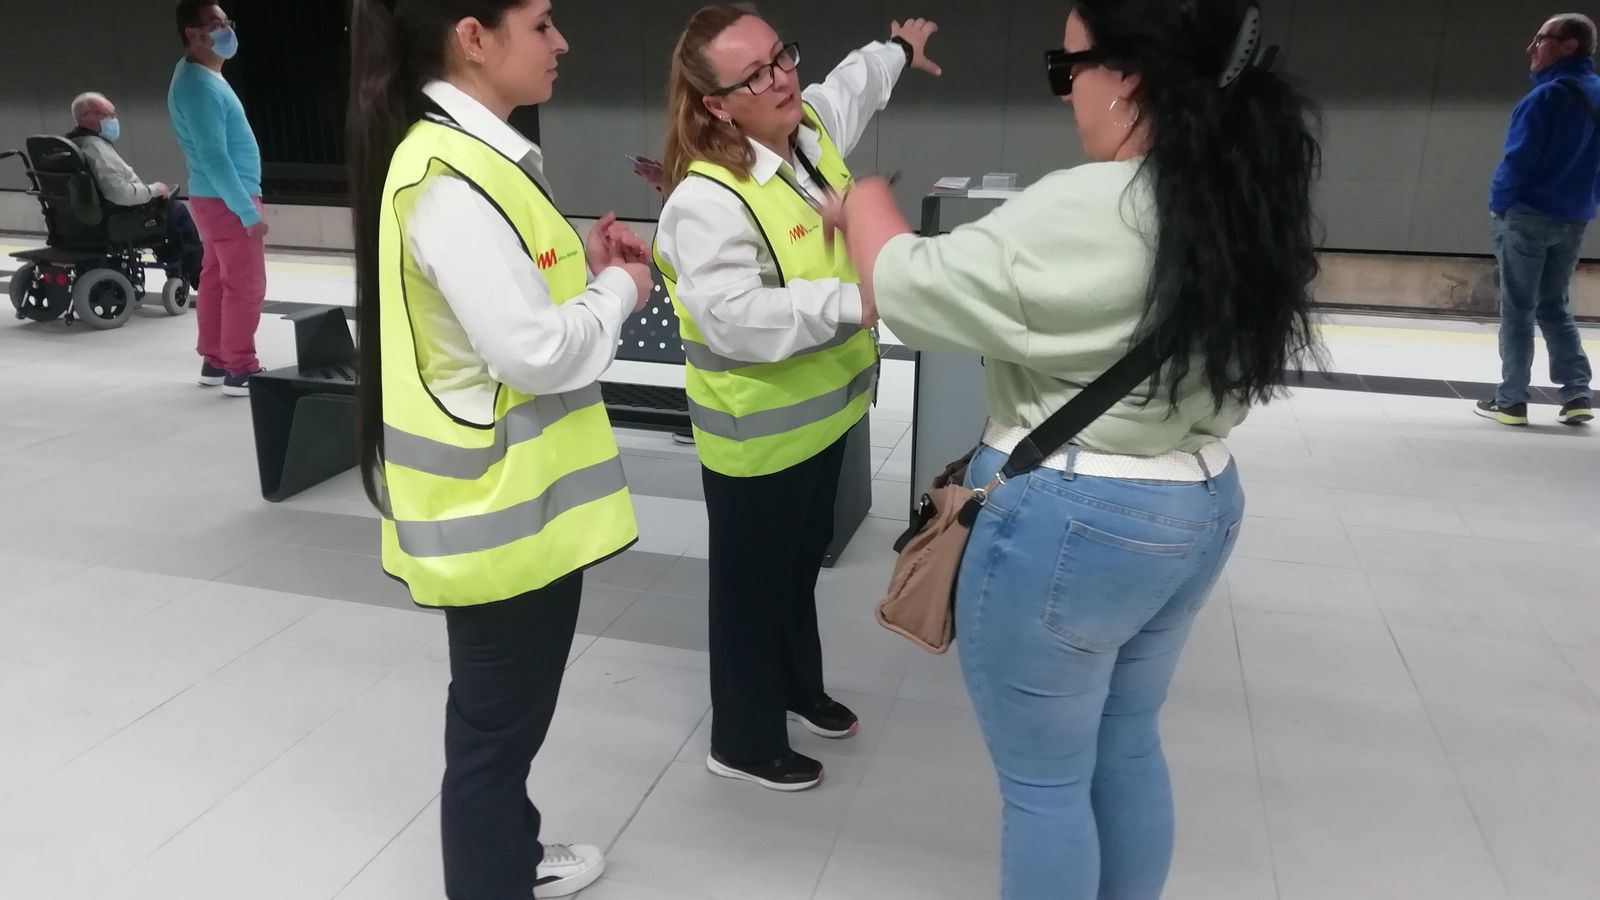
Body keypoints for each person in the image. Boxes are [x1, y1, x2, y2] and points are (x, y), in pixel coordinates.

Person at [830, 1, 1318, 896]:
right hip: (1197, 501)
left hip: (1073, 522)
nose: (1066, 95)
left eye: (1069, 68)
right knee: (1127, 744)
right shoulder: (1238, 189)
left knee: (1043, 786)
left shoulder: (1093, 204)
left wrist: (867, 200)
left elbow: (904, 284)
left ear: (1128, 76)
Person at [347, 0, 653, 896]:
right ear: (472, 37)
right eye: (542, 24)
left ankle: (510, 855)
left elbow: (514, 304)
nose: (561, 43)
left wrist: (589, 269)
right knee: (494, 735)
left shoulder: (478, 159)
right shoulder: (448, 176)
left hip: (514, 512)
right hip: (496, 517)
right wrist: (624, 290)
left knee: (498, 725)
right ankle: (492, 876)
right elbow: (536, 351)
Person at [652, 5, 941, 792]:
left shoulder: (805, 133)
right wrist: (861, 302)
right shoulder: (708, 200)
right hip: (757, 437)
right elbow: (735, 320)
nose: (782, 77)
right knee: (750, 592)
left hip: (825, 416)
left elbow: (853, 85)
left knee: (795, 572)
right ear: (716, 104)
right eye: (756, 74)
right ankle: (742, 740)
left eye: (782, 57)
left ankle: (795, 688)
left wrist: (897, 48)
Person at [1476, 12, 1598, 427]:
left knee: (1518, 308)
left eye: (1542, 38)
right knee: (1555, 306)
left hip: (1527, 216)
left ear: (1570, 46)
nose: (1532, 47)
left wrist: (1498, 204)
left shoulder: (1543, 98)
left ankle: (1511, 400)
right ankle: (1577, 393)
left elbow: (1518, 160)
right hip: (1574, 218)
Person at [169, 0, 267, 397]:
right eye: (216, 23)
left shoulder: (199, 74)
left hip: (213, 200)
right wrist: (246, 211)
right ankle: (241, 369)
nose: (226, 29)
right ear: (193, 34)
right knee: (245, 285)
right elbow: (214, 156)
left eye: (226, 20)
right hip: (230, 200)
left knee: (215, 279)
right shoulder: (199, 86)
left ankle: (215, 359)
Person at [67, 91, 203, 287]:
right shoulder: (95, 148)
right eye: (109, 115)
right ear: (87, 116)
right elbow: (119, 193)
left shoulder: (72, 146)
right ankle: (196, 274)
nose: (114, 120)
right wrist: (154, 190)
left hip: (82, 222)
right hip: (115, 220)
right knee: (175, 211)